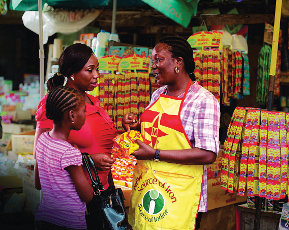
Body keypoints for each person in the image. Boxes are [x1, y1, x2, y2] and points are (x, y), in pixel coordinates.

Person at [124, 36, 220, 230]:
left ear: (178, 62)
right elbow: (157, 134)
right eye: (153, 61)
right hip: (149, 187)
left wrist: (155, 154)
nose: (154, 66)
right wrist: (136, 126)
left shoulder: (203, 100)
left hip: (180, 193)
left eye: (159, 59)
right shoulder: (158, 94)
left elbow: (208, 153)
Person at [34, 43, 118, 229]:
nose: (97, 75)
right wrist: (87, 161)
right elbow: (42, 161)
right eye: (90, 70)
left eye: (97, 69)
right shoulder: (57, 104)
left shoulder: (91, 100)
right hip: (77, 202)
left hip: (102, 191)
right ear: (72, 73)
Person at [34, 86, 93, 229]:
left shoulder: (42, 139)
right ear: (72, 115)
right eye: (83, 111)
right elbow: (87, 196)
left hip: (45, 218)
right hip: (69, 222)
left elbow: (37, 184)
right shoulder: (69, 152)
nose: (85, 115)